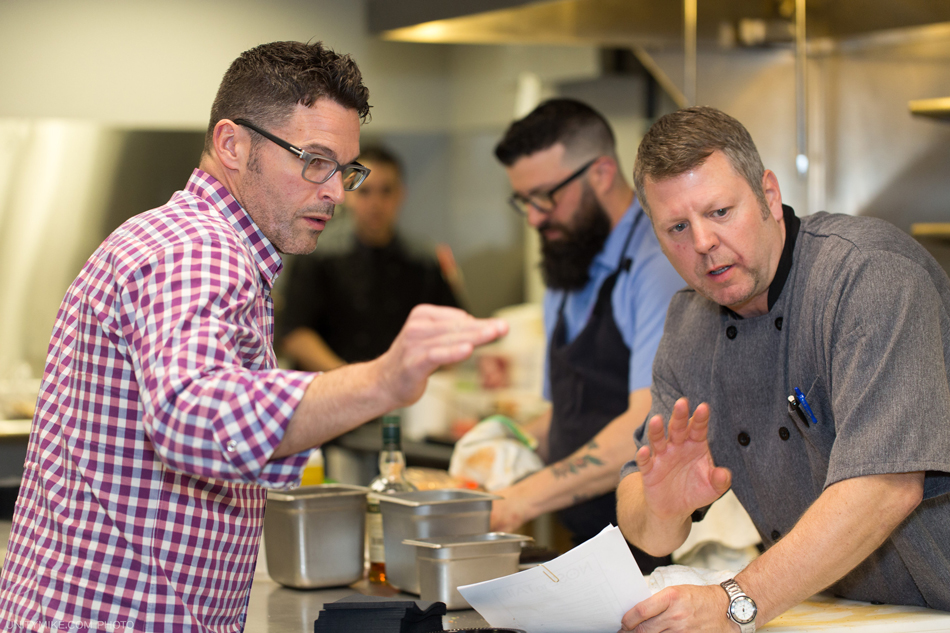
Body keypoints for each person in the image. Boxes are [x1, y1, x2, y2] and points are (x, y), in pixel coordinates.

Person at [0, 41, 507, 632]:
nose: (338, 192)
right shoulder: (200, 251)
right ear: (232, 145)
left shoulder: (184, 236)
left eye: (345, 168)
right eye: (314, 160)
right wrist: (382, 379)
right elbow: (191, 415)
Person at [617, 106, 950, 632]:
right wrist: (660, 507)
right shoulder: (688, 326)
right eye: (678, 227)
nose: (702, 243)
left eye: (720, 212)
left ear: (768, 195)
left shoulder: (869, 277)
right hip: (836, 609)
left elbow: (885, 487)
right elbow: (643, 519)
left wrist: (734, 603)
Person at [488, 98, 684, 572]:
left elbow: (646, 424)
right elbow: (567, 414)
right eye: (524, 201)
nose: (534, 217)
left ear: (600, 173)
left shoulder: (658, 265)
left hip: (665, 548)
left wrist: (520, 499)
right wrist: (506, 437)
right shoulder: (568, 262)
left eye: (545, 197)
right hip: (589, 543)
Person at [280, 145, 461, 372]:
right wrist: (353, 379)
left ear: (401, 194)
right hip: (330, 390)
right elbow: (295, 334)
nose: (376, 203)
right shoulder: (316, 254)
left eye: (386, 191)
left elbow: (453, 330)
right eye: (365, 191)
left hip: (403, 394)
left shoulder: (424, 260)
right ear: (347, 193)